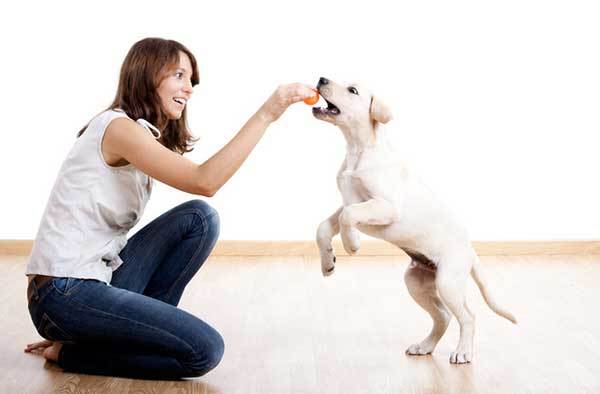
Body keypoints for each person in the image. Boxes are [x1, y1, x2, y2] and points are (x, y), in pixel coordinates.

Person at [23, 37, 315, 379]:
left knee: (199, 219)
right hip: (62, 293)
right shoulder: (117, 128)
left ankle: (141, 336)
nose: (189, 88)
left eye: (191, 80)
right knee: (205, 350)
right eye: (179, 75)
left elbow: (201, 193)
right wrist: (268, 114)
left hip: (95, 280)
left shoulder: (140, 133)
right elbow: (206, 181)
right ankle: (74, 354)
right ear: (147, 75)